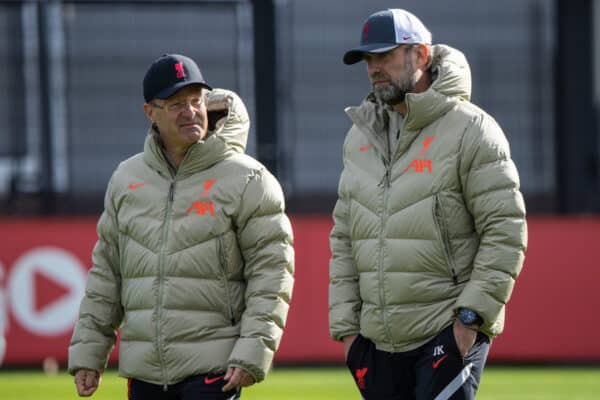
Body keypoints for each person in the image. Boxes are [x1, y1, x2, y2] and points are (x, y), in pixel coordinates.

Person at [68, 54, 294, 399]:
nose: (190, 111)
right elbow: (106, 276)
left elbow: (272, 274)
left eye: (196, 100)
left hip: (214, 372)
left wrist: (253, 351)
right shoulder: (127, 179)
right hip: (144, 375)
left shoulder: (249, 179)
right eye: (176, 104)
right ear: (150, 113)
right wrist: (89, 353)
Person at [329, 9, 527, 400]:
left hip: (446, 333)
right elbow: (345, 238)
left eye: (384, 56)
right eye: (368, 60)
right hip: (376, 343)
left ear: (420, 56)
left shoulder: (472, 129)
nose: (373, 68)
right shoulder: (359, 138)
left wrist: (471, 319)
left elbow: (505, 230)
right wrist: (348, 332)